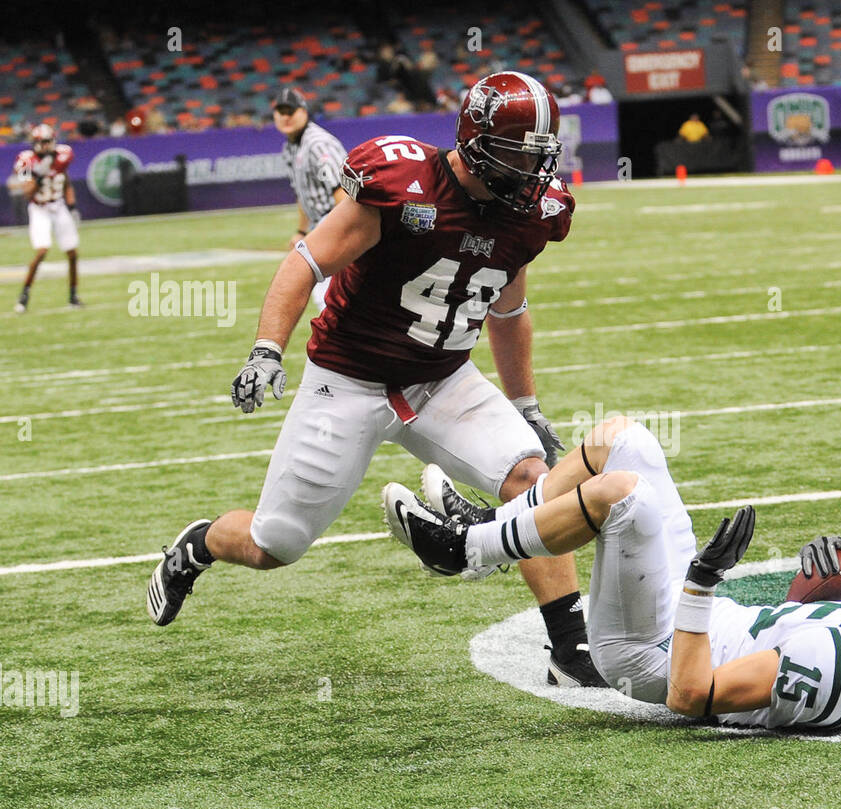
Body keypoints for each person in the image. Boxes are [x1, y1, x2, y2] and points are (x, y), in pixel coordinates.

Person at [146, 72, 606, 688]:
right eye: (519, 154)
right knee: (274, 545)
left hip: (443, 379)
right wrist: (266, 350)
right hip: (349, 379)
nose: (533, 171)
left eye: (539, 156)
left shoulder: (531, 215)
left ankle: (569, 654)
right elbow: (306, 262)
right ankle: (198, 545)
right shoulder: (402, 183)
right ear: (475, 142)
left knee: (532, 479)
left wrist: (525, 402)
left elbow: (507, 307)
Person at [383, 416, 841, 727]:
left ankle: (463, 551)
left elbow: (691, 696)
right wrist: (835, 585)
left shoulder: (837, 669)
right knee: (623, 437)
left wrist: (700, 584)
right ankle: (489, 529)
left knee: (623, 495)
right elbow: (794, 624)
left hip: (648, 649)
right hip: (701, 619)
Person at [272, 87, 346, 311]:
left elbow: (343, 192)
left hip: (336, 220)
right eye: (280, 112)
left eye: (291, 111)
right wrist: (302, 231)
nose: (286, 117)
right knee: (331, 296)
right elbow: (302, 194)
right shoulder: (290, 147)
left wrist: (338, 233)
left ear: (304, 112)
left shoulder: (317, 144)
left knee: (325, 296)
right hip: (321, 225)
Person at [11, 124, 81, 313]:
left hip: (58, 206)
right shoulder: (25, 160)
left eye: (47, 141)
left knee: (73, 253)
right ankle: (24, 294)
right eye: (40, 142)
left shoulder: (63, 155)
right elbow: (27, 193)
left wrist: (72, 206)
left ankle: (73, 296)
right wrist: (38, 175)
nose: (44, 145)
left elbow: (65, 181)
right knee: (42, 251)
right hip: (39, 208)